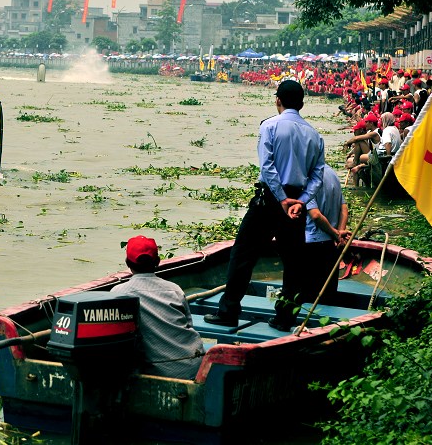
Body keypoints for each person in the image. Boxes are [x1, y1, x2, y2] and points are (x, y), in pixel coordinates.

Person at [204, 80, 325, 332]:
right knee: (293, 262)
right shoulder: (314, 135)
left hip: (271, 199)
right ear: (302, 104)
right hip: (296, 204)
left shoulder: (269, 126)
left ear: (277, 100)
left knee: (243, 255)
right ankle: (285, 318)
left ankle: (228, 312)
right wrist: (300, 202)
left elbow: (267, 167)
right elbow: (317, 176)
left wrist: (281, 199)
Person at [110, 235, 205, 380]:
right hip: (194, 363)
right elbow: (188, 325)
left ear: (127, 263)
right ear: (158, 262)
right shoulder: (175, 289)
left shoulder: (118, 293)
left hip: (162, 371)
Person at [297, 165, 350, 325]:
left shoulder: (306, 179)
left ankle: (305, 329)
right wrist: (339, 233)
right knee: (328, 294)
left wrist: (335, 233)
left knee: (308, 295)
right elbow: (344, 208)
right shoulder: (331, 173)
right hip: (330, 245)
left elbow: (315, 215)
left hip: (312, 244)